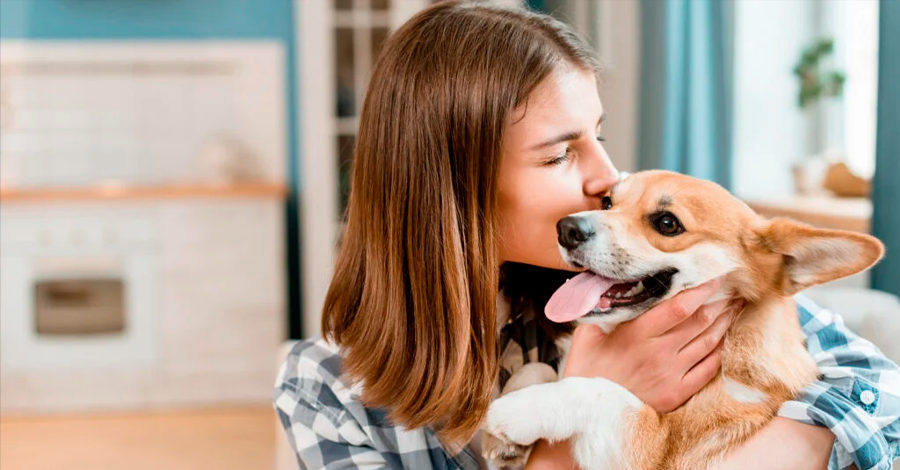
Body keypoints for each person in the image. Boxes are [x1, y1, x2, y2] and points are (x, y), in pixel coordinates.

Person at [274, 2, 900, 469]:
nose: (608, 175)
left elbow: (884, 408)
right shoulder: (327, 391)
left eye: (598, 133)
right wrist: (578, 425)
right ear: (451, 190)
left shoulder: (679, 289)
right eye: (558, 156)